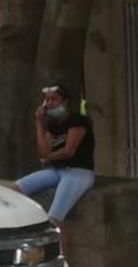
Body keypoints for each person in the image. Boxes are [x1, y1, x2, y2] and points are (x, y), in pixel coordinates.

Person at [13, 84, 95, 256]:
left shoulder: (78, 121)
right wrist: (39, 124)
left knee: (55, 218)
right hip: (57, 171)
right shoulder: (52, 124)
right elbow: (43, 151)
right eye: (47, 100)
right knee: (14, 190)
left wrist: (48, 157)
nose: (50, 103)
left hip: (78, 172)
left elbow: (68, 151)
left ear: (65, 101)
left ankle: (64, 264)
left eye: (54, 99)